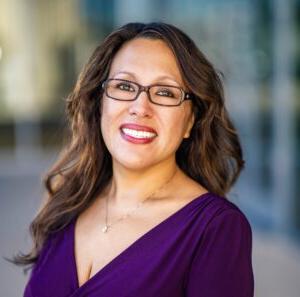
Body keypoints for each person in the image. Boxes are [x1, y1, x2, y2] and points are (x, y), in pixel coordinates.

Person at [12, 22, 254, 297]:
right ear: (101, 102)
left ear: (190, 121)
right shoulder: (69, 201)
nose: (140, 107)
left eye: (165, 92)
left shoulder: (215, 228)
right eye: (125, 86)